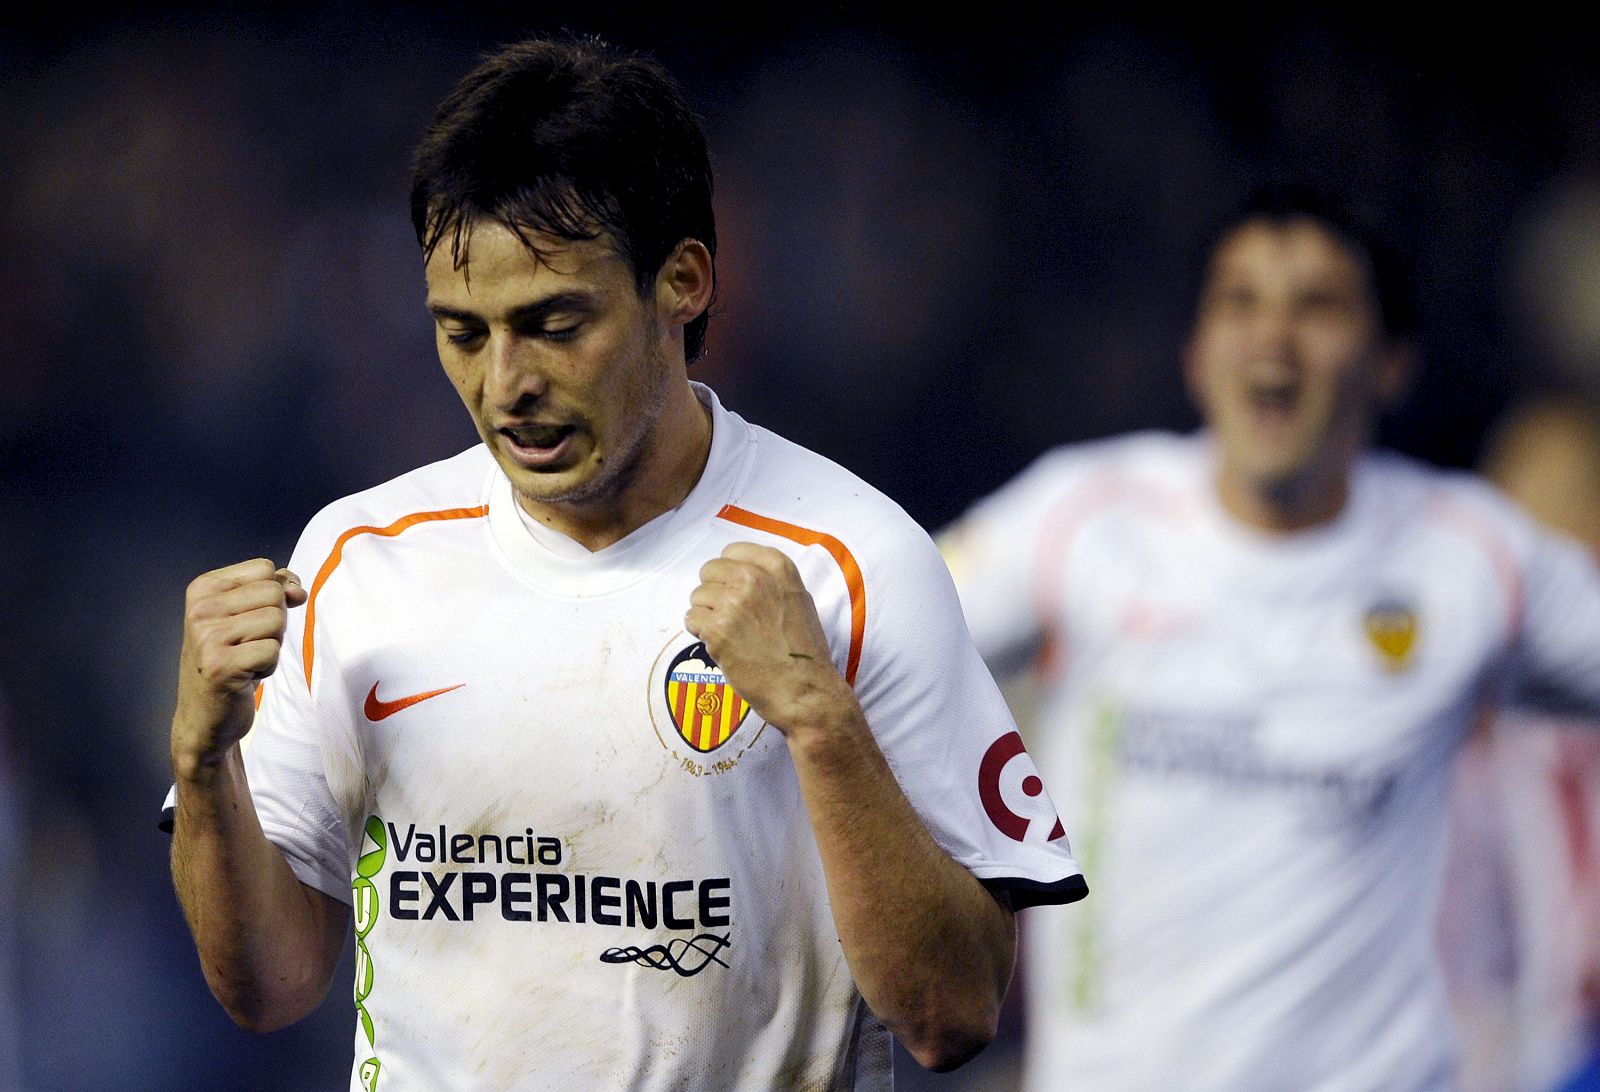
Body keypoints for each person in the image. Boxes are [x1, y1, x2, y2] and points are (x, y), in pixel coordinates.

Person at [162, 35, 1085, 1091]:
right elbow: (269, 986)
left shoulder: (852, 559)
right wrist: (202, 766)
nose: (505, 384)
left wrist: (822, 724)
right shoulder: (356, 559)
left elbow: (953, 1013)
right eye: (462, 332)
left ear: (682, 282)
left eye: (555, 324)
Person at [939, 181, 1600, 1091]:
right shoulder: (1082, 518)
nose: (1273, 339)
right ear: (1197, 355)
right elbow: (872, 647)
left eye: (1318, 305)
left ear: (1392, 361)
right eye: (1239, 301)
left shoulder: (1472, 557)